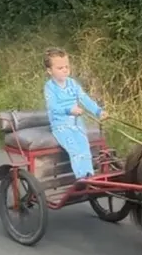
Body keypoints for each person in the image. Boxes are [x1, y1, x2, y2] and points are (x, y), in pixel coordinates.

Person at [43, 48, 107, 183]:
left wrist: (98, 111)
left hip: (77, 123)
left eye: (67, 67)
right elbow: (53, 107)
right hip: (61, 125)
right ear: (50, 71)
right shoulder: (50, 87)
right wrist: (69, 110)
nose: (65, 70)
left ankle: (89, 176)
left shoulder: (72, 83)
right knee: (75, 150)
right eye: (60, 68)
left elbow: (85, 99)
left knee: (85, 148)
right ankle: (81, 178)